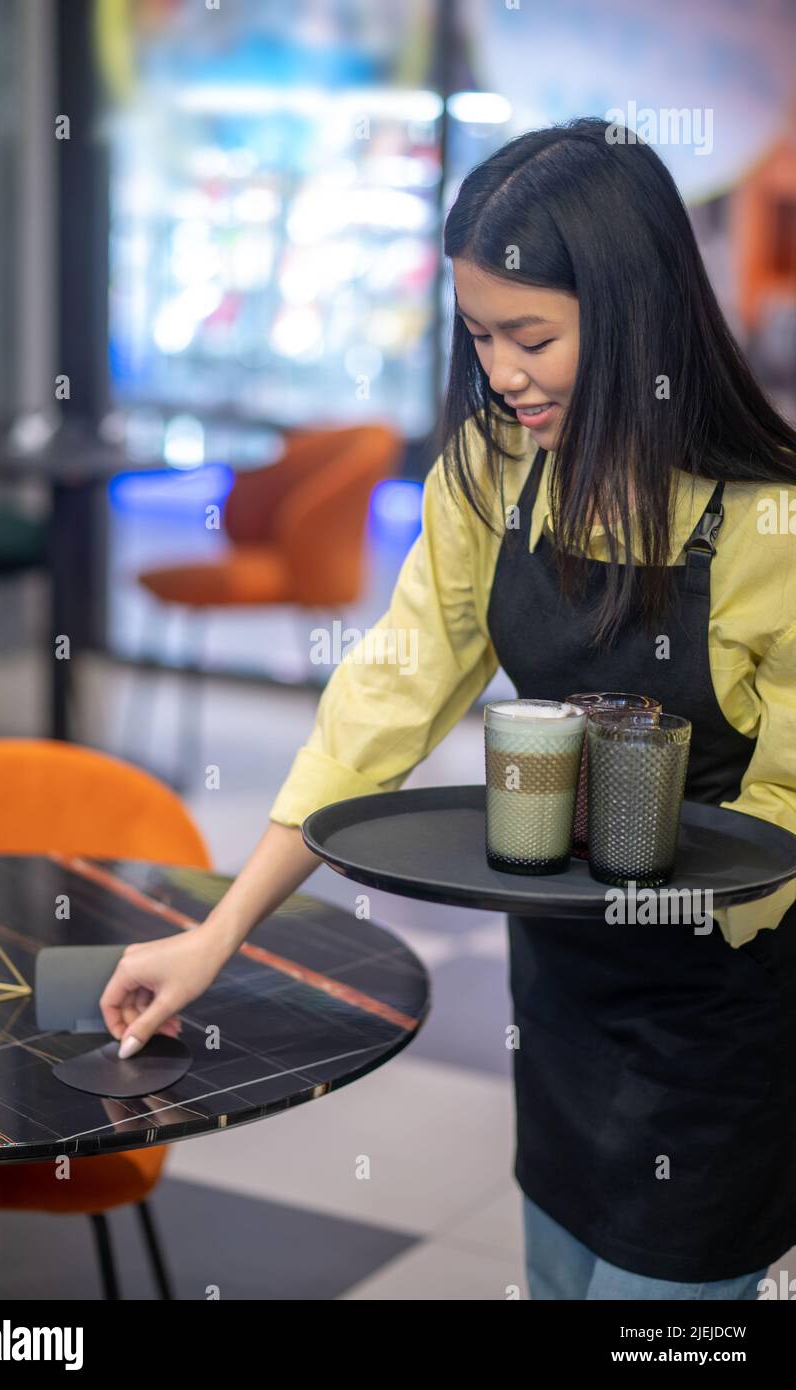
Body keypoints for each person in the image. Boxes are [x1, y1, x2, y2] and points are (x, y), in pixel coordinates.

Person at [100, 116, 796, 1300]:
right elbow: (387, 695)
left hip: (721, 1024)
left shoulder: (765, 522)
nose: (501, 373)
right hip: (561, 1000)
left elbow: (782, 816)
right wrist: (219, 934)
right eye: (480, 336)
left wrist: (646, 883)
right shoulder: (491, 470)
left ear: (634, 319)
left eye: (532, 336)